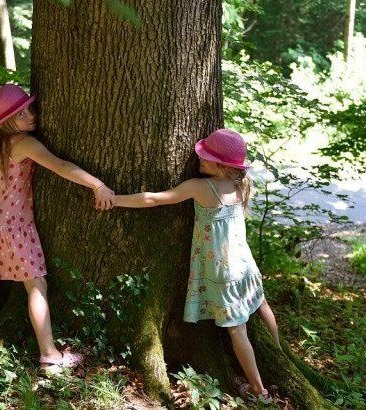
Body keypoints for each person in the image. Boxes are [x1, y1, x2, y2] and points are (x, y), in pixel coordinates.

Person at [112, 128, 281, 397]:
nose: (198, 157)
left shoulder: (200, 187)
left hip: (223, 274)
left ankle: (259, 390)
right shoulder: (241, 185)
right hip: (245, 265)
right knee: (260, 303)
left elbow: (154, 199)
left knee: (238, 331)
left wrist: (115, 200)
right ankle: (279, 352)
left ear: (221, 164)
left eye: (206, 156)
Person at [0, 83, 114, 372]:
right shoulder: (24, 143)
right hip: (14, 225)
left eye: (29, 109)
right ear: (9, 121)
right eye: (22, 113)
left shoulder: (2, 143)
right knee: (36, 285)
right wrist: (97, 184)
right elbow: (61, 166)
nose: (31, 115)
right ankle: (49, 354)